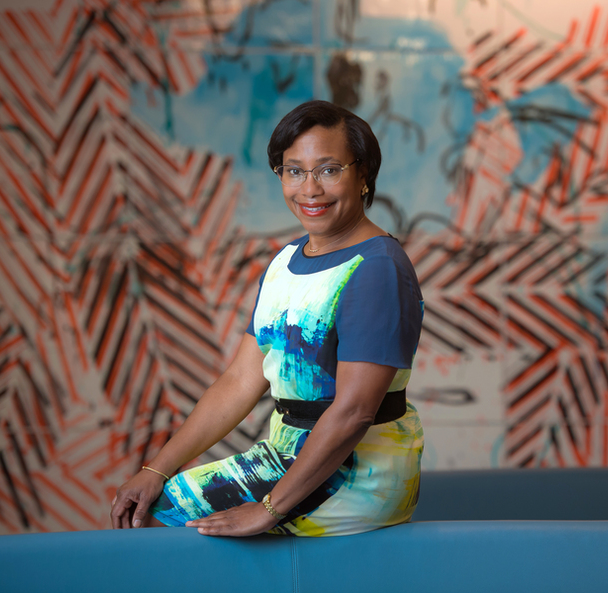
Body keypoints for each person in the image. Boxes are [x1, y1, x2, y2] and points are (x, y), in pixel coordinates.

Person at [110, 100, 424, 537]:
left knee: (167, 520)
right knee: (152, 503)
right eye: (294, 171)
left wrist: (268, 510)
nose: (309, 189)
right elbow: (239, 381)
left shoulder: (376, 268)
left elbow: (352, 412)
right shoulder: (286, 261)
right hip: (285, 452)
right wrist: (156, 469)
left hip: (357, 473)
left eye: (329, 170)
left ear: (364, 173)